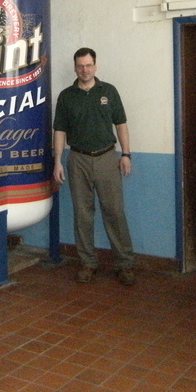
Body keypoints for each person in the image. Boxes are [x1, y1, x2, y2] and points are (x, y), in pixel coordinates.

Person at [53, 47, 136, 286]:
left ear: (95, 66)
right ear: (75, 67)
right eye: (80, 66)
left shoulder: (109, 91)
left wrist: (126, 154)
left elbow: (121, 124)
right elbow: (59, 131)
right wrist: (58, 161)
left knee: (115, 213)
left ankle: (125, 264)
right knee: (83, 215)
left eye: (89, 65)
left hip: (108, 159)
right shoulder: (66, 96)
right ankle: (88, 263)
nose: (85, 70)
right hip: (77, 160)